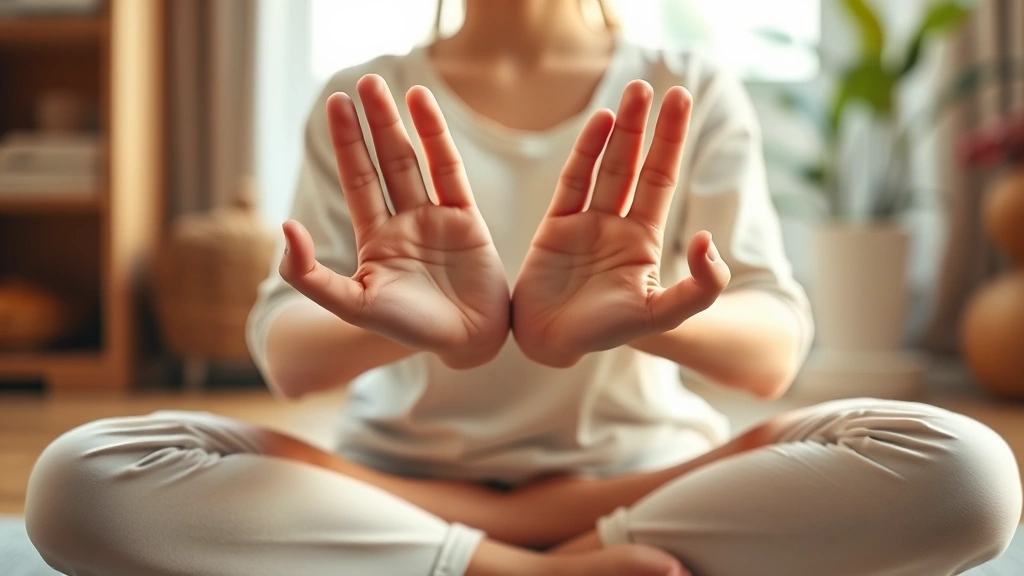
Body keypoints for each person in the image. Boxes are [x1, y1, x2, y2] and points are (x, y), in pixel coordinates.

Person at [25, 1, 1021, 575]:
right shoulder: (362, 94)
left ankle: (459, 555)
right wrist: (408, 329)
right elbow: (283, 352)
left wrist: (648, 321)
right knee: (80, 483)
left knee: (966, 472)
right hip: (392, 476)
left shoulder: (684, 83)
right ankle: (536, 565)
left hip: (640, 474)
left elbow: (771, 350)